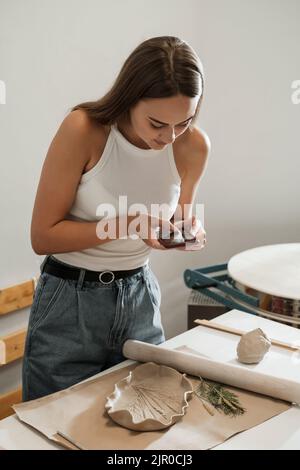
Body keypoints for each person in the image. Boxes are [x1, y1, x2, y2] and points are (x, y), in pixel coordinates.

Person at [22, 35, 210, 402]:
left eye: (184, 122)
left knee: (147, 419)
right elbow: (42, 237)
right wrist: (126, 223)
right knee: (51, 426)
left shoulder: (194, 146)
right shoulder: (84, 130)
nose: (169, 137)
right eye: (157, 123)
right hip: (68, 300)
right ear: (129, 98)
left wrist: (188, 230)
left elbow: (179, 219)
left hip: (139, 296)